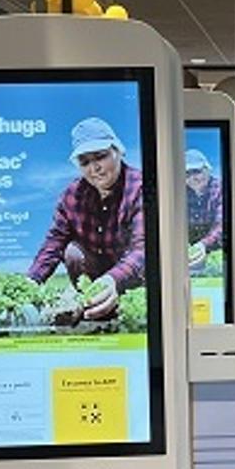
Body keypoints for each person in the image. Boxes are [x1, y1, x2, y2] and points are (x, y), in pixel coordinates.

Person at [28, 117, 145, 321]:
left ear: (118, 151)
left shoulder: (140, 187)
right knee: (71, 252)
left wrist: (113, 280)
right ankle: (91, 305)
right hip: (95, 277)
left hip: (132, 276)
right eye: (85, 162)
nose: (94, 168)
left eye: (100, 156)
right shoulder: (72, 195)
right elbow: (54, 242)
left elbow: (142, 248)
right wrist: (32, 280)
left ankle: (124, 306)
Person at [184, 148, 223, 269]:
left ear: (207, 170)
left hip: (218, 250)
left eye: (196, 171)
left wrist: (203, 245)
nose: (193, 178)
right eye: (187, 174)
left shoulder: (221, 189)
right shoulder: (180, 192)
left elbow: (222, 225)